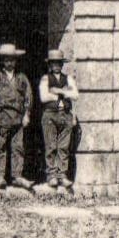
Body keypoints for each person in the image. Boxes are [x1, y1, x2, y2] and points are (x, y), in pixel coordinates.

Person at [0, 43, 34, 190]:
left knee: (18, 147)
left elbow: (28, 96)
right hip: (2, 118)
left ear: (16, 61)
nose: (9, 63)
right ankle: (0, 177)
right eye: (6, 60)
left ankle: (17, 176)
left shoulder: (21, 78)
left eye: (12, 60)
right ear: (2, 61)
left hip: (18, 118)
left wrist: (26, 115)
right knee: (0, 147)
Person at [39, 49, 80, 191]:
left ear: (62, 64)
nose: (56, 66)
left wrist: (58, 91)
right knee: (51, 146)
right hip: (50, 114)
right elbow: (44, 97)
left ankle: (62, 175)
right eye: (53, 63)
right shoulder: (45, 79)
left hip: (65, 114)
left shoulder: (68, 79)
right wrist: (64, 93)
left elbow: (75, 95)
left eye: (58, 63)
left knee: (63, 146)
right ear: (50, 65)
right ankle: (51, 175)